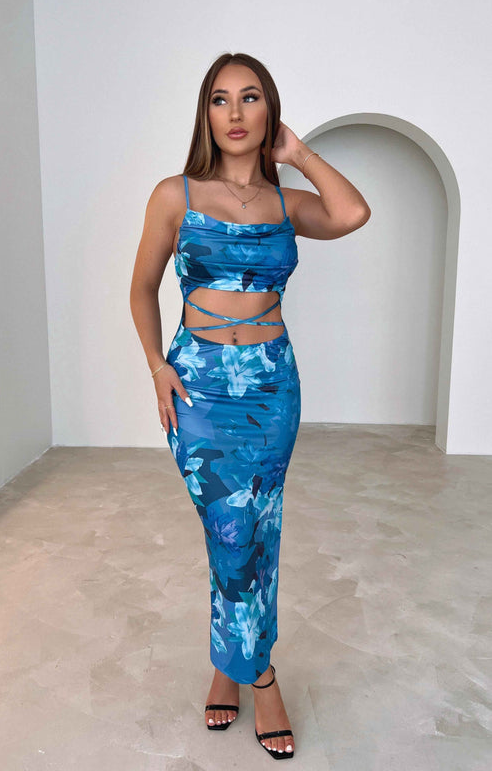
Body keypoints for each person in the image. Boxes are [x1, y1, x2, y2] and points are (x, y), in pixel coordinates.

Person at [130, 52, 370, 760]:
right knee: (228, 531)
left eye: (250, 97)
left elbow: (352, 212)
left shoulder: (286, 205)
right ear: (204, 114)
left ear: (270, 110)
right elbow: (141, 287)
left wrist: (298, 155)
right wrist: (156, 366)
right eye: (219, 99)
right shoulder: (174, 194)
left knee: (256, 530)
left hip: (269, 387)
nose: (234, 113)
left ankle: (228, 668)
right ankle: (260, 676)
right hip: (199, 389)